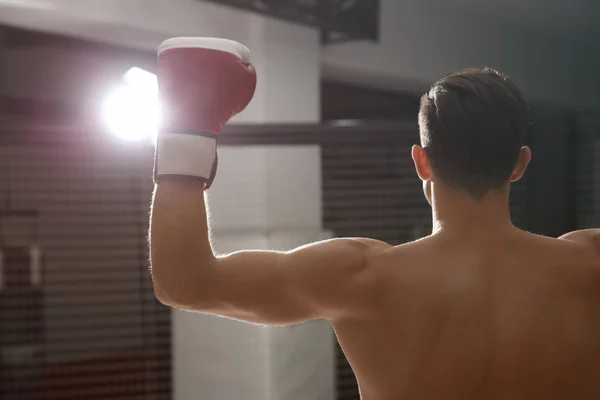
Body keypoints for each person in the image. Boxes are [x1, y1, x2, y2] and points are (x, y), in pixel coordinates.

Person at [150, 38, 600, 399]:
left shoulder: (360, 275)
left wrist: (188, 123)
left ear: (421, 162)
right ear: (520, 164)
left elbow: (184, 282)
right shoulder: (589, 264)